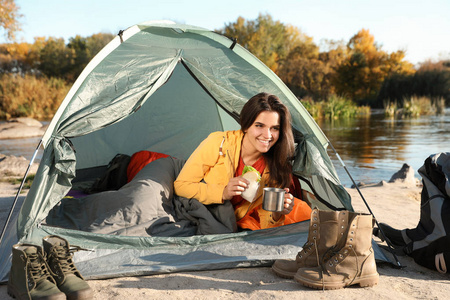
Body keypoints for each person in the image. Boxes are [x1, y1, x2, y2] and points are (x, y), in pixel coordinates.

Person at [174, 92, 311, 230]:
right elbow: (181, 185)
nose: (268, 135)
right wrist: (223, 192)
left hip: (241, 219)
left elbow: (267, 223)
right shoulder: (219, 143)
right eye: (259, 126)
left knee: (304, 212)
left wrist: (276, 214)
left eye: (274, 128)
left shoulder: (275, 165)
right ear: (245, 126)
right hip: (213, 213)